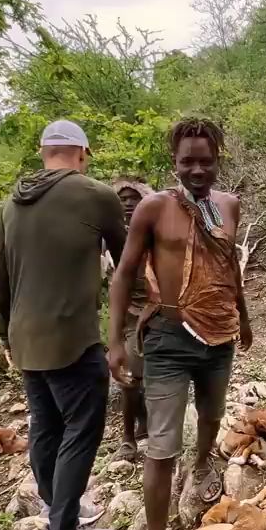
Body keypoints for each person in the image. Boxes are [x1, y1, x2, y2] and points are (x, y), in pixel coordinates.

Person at [107, 118, 252, 530]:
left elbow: (230, 267)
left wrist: (245, 319)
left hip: (220, 335)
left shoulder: (228, 205)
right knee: (162, 447)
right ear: (173, 162)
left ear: (218, 160)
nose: (196, 169)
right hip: (168, 338)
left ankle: (206, 461)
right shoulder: (153, 208)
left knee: (211, 417)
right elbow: (124, 273)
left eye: (206, 160)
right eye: (187, 160)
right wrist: (114, 345)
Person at [0, 119, 126, 530]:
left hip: (26, 340)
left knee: (45, 426)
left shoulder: (11, 205)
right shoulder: (96, 195)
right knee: (82, 428)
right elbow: (128, 262)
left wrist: (6, 337)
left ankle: (59, 507)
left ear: (42, 151)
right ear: (82, 153)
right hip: (73, 338)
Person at [108, 177, 154, 462]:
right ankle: (127, 438)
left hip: (158, 309)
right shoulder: (110, 234)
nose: (127, 203)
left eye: (132, 198)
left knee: (157, 374)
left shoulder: (155, 229)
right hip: (128, 314)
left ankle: (148, 424)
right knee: (130, 378)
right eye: (122, 199)